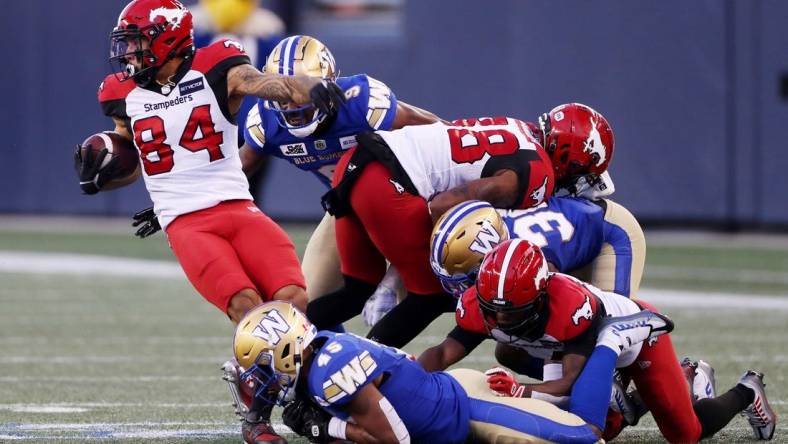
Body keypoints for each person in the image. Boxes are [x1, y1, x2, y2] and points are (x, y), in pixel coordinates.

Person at [73, 1, 344, 442]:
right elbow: (133, 154)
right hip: (187, 222)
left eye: (138, 44)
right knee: (249, 308)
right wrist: (102, 173)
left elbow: (258, 82)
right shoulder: (121, 93)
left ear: (170, 41)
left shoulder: (217, 65)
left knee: (294, 297)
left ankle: (284, 389)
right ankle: (256, 419)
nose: (129, 55)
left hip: (238, 207)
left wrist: (302, 88)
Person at [422, 239, 777, 443]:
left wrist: (519, 392)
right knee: (587, 423)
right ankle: (670, 382)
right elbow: (441, 353)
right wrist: (403, 374)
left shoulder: (570, 307)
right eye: (492, 310)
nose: (499, 319)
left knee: (685, 434)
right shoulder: (481, 305)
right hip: (566, 349)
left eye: (513, 312)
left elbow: (568, 385)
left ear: (541, 296)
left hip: (632, 337)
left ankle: (747, 389)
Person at [232, 301, 667, 443]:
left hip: (468, 409)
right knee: (568, 414)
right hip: (448, 394)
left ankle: (612, 337)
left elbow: (394, 438)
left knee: (585, 433)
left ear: (289, 352)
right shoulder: (319, 354)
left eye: (263, 367)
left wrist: (323, 428)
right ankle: (628, 401)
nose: (260, 379)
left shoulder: (329, 368)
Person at [307, 116, 556, 348]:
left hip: (358, 163)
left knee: (356, 290)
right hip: (386, 181)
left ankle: (279, 337)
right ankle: (360, 371)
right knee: (432, 296)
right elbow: (440, 206)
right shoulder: (537, 171)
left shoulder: (518, 128)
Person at [191, 0, 286, 202]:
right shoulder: (197, 34)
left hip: (252, 125)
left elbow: (275, 79)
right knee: (205, 196)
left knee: (248, 193)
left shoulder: (266, 34)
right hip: (208, 128)